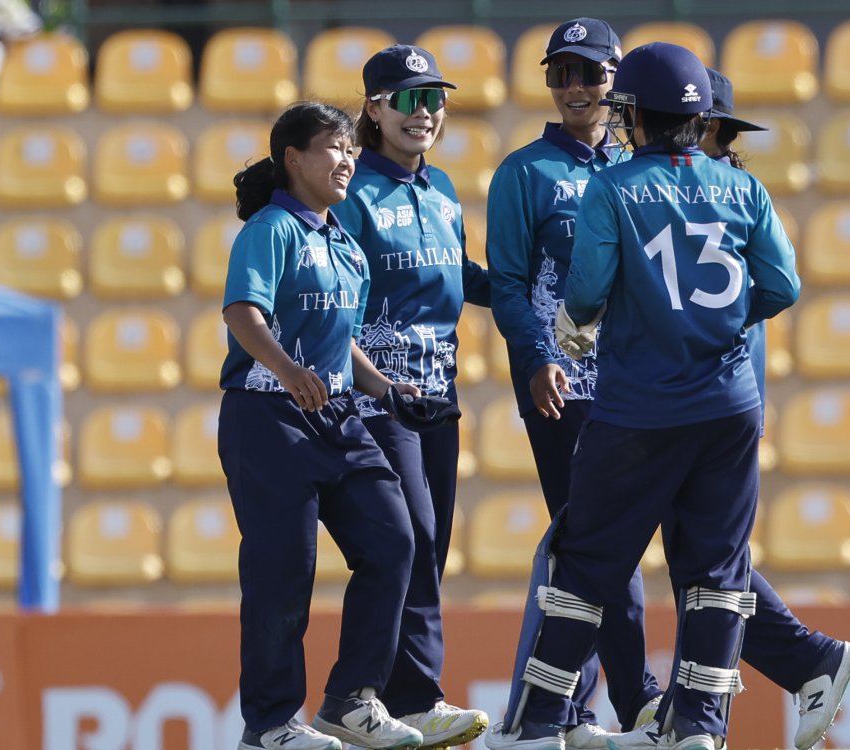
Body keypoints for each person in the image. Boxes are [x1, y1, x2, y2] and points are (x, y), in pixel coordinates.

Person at [486, 42, 805, 750]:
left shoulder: (618, 185)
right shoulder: (742, 187)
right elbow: (783, 287)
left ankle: (542, 719)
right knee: (716, 570)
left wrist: (572, 333)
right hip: (727, 401)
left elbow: (588, 294)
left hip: (638, 403)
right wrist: (714, 323)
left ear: (636, 112)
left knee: (589, 558)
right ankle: (698, 727)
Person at [617, 67, 850, 750]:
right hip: (712, 397)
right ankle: (709, 708)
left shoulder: (715, 201)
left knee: (710, 564)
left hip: (691, 399)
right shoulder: (724, 201)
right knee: (706, 559)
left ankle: (722, 706)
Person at [219, 102, 428, 750]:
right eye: (333, 148)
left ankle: (351, 700)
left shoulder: (344, 242)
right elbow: (242, 313)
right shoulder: (271, 229)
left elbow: (343, 347)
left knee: (394, 540)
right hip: (268, 417)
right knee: (285, 569)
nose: (346, 160)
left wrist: (387, 390)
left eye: (348, 149)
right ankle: (270, 724)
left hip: (335, 417)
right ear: (293, 159)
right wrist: (286, 370)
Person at [486, 17, 662, 748]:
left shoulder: (638, 167)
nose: (574, 88)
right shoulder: (524, 172)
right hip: (563, 386)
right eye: (561, 74)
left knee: (602, 541)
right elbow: (508, 282)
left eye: (589, 73)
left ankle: (578, 707)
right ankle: (630, 697)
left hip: (636, 384)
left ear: (616, 78)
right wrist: (533, 361)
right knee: (595, 538)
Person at [329, 44, 490, 750]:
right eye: (408, 98)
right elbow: (330, 305)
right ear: (374, 108)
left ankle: (396, 702)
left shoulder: (444, 189)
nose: (425, 112)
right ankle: (412, 697)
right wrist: (377, 383)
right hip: (377, 400)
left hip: (439, 395)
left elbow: (465, 277)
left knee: (433, 544)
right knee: (413, 536)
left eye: (435, 98)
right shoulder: (352, 191)